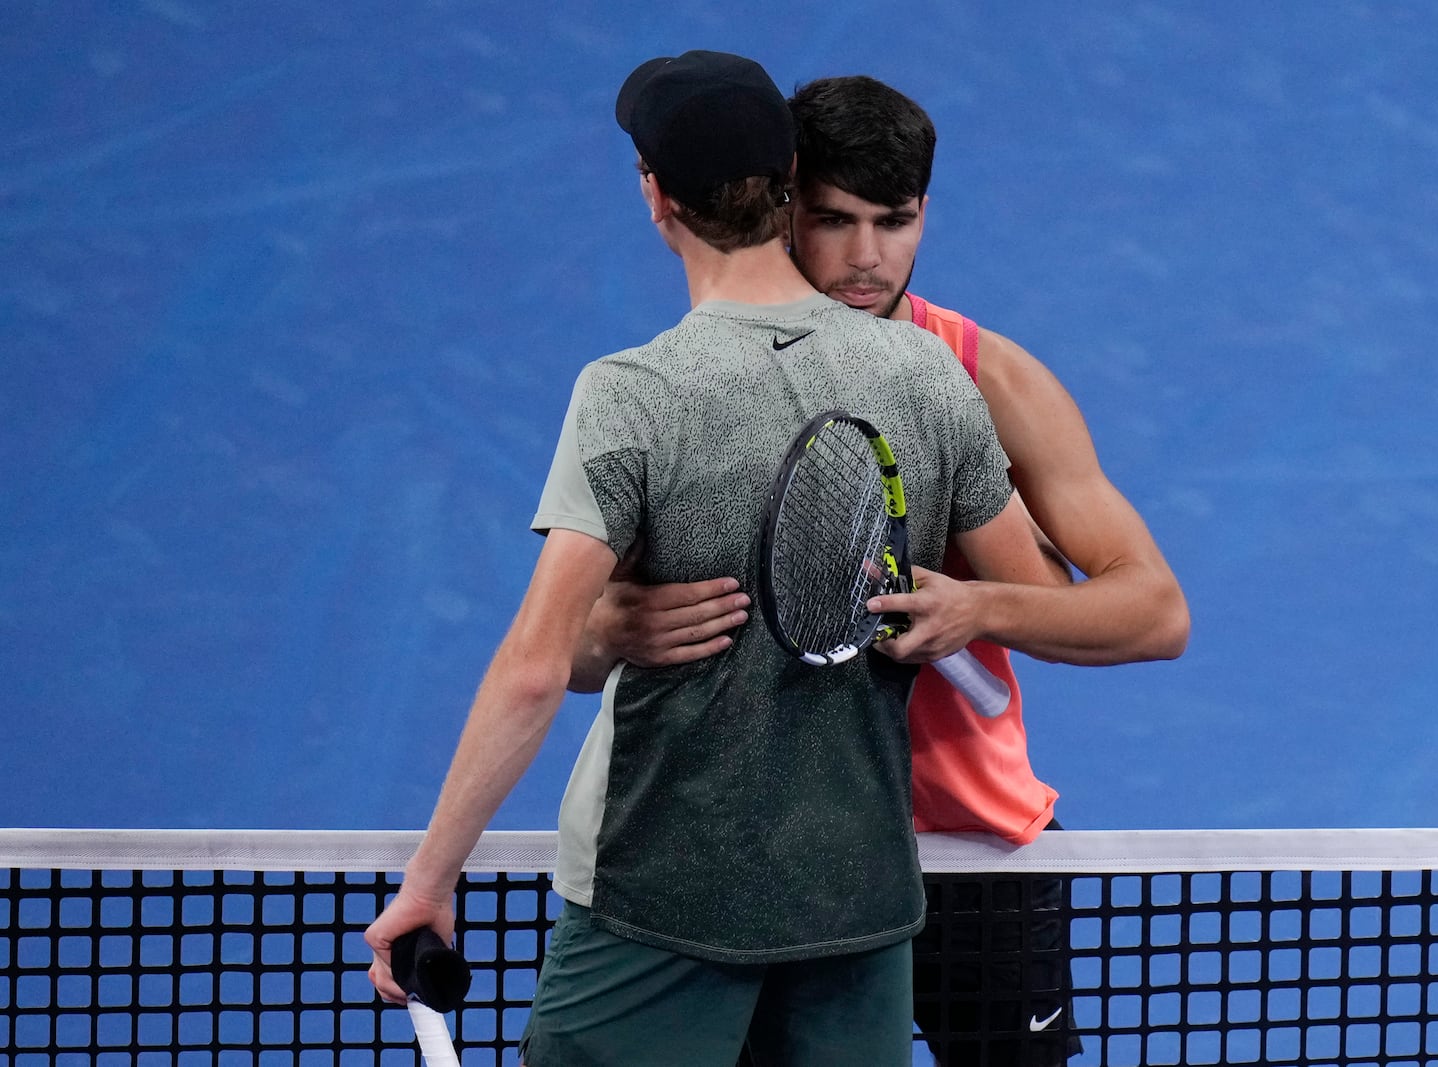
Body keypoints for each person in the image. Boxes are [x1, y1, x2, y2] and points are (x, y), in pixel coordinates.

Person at [364, 52, 1069, 1066]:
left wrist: (432, 878)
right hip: (858, 907)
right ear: (790, 182)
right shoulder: (924, 370)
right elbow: (1035, 599)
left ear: (655, 196)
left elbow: (532, 666)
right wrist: (944, 603)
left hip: (662, 905)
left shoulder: (632, 393)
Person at [577, 75, 1190, 1065]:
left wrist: (977, 603)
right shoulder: (695, 383)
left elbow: (1153, 613)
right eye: (832, 219)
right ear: (781, 205)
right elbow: (569, 647)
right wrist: (615, 630)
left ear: (923, 216)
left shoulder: (988, 377)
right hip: (774, 852)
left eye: (893, 221)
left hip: (969, 852)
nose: (866, 258)